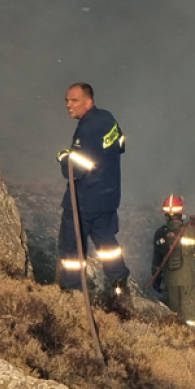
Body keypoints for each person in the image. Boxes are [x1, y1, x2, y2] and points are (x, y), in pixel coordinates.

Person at [57, 82, 131, 306]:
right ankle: (119, 283)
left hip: (84, 203)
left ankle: (73, 295)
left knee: (71, 249)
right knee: (108, 244)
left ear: (88, 102)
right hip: (108, 200)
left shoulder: (86, 129)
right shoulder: (108, 119)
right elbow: (120, 144)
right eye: (67, 100)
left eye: (74, 100)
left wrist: (63, 158)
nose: (68, 105)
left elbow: (75, 170)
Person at [150, 195, 195, 327]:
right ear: (181, 211)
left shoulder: (160, 233)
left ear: (165, 213)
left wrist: (156, 278)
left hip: (170, 281)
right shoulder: (189, 230)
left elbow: (156, 260)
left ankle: (176, 340)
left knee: (173, 315)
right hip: (188, 279)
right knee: (190, 315)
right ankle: (193, 340)